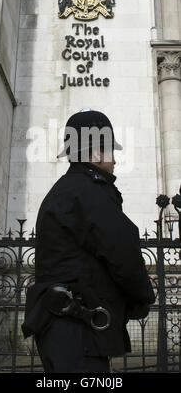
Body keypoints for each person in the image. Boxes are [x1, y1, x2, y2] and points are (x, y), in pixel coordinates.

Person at [22, 109, 155, 373]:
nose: (115, 160)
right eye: (110, 151)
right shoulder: (90, 192)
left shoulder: (64, 190)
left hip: (61, 329)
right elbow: (123, 251)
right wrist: (142, 297)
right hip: (78, 332)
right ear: (95, 153)